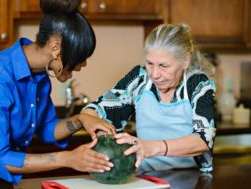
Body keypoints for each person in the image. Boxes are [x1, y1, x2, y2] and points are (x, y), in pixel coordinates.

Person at [0, 0, 115, 184]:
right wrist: (67, 158)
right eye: (80, 57)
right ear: (55, 48)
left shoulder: (39, 75)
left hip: (2, 174)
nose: (83, 64)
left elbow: (47, 128)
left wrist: (81, 119)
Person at [82, 23, 216, 173]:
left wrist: (151, 147)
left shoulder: (197, 84)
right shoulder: (140, 78)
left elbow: (204, 140)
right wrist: (101, 133)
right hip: (146, 177)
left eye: (164, 66)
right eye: (150, 63)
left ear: (185, 60)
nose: (155, 74)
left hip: (191, 178)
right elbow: (94, 111)